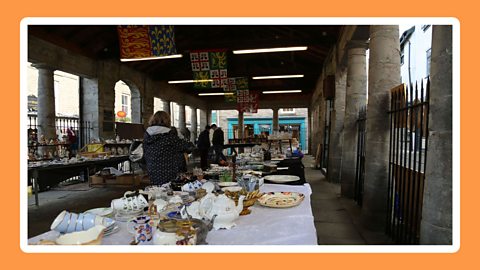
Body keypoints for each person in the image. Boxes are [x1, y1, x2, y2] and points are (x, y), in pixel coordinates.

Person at [143, 111, 195, 186]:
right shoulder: (169, 137)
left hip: (152, 170)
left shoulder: (147, 136)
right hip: (169, 172)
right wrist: (181, 137)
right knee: (169, 193)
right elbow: (190, 147)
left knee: (157, 191)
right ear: (167, 121)